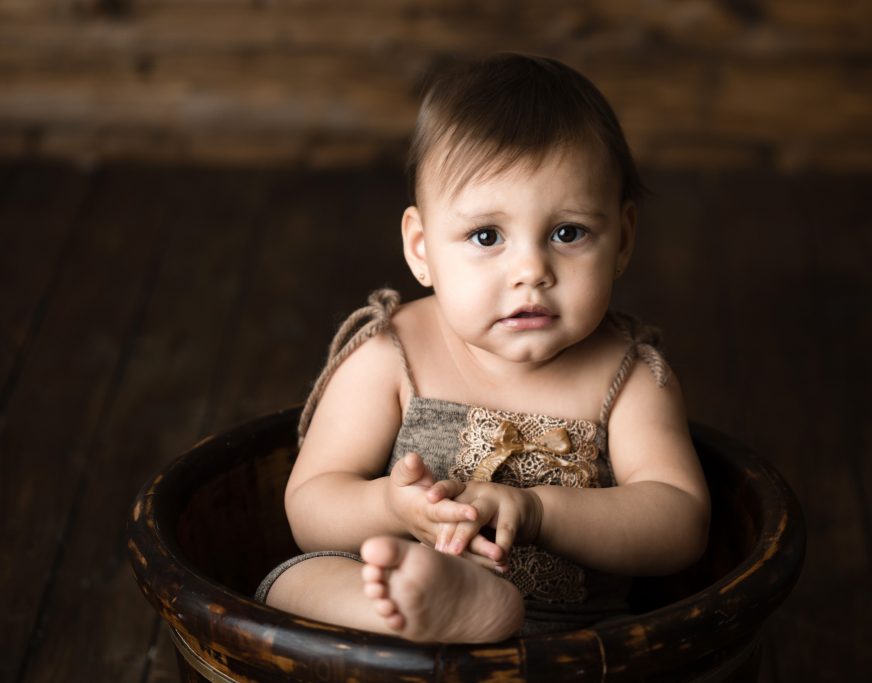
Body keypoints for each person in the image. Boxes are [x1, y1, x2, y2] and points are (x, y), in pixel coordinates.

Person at [255, 52, 710, 643]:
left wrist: (542, 513)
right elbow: (311, 505)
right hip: (395, 603)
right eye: (486, 236)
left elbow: (679, 521)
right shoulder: (392, 354)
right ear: (421, 249)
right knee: (295, 581)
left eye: (567, 233)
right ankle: (422, 608)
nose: (530, 270)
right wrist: (394, 508)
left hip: (565, 634)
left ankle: (478, 611)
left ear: (622, 240)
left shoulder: (630, 377)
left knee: (636, 644)